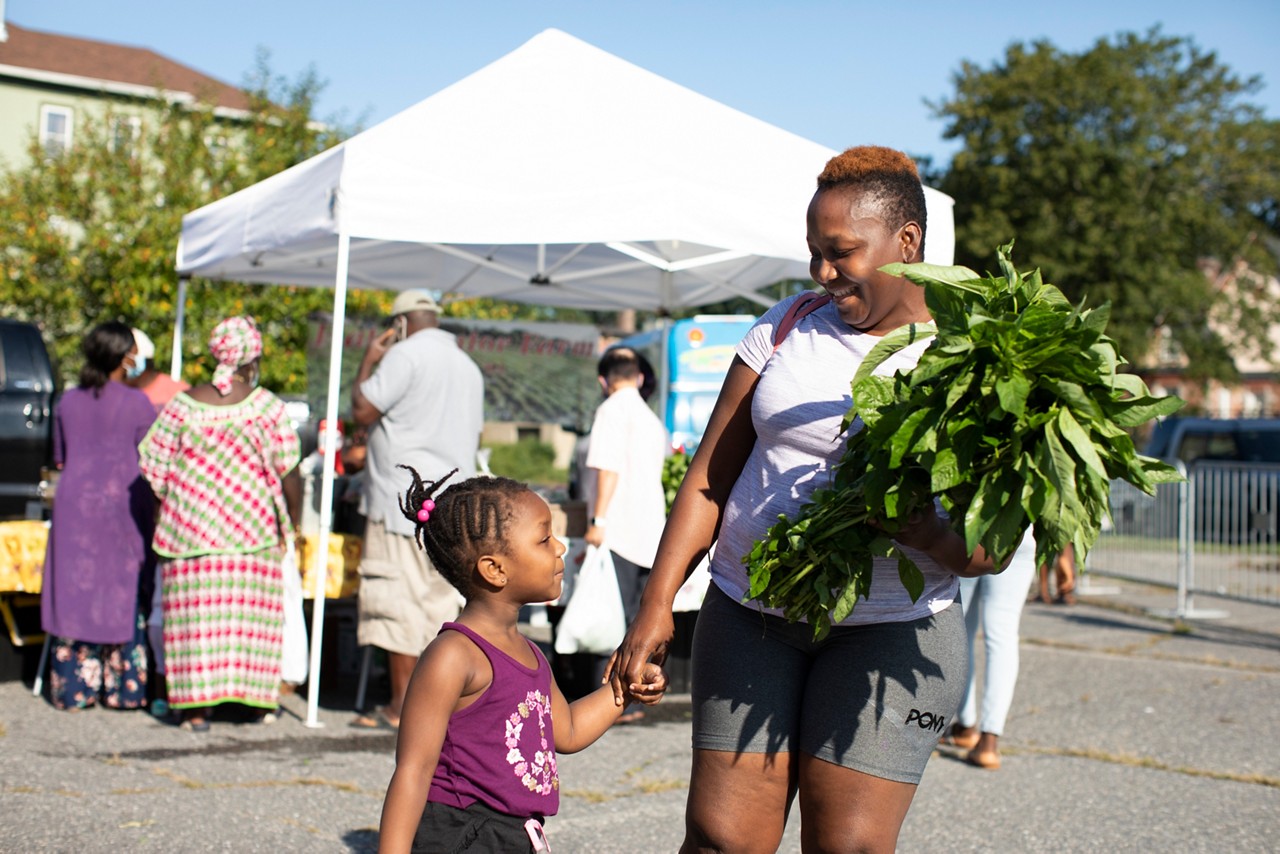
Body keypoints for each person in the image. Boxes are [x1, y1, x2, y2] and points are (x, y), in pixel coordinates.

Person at [608, 145, 1009, 853]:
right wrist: (655, 603)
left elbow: (991, 547)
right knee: (720, 838)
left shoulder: (975, 361)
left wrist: (926, 534)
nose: (822, 272)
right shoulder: (787, 324)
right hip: (750, 614)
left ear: (906, 242)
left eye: (840, 251)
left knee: (846, 846)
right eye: (813, 252)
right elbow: (709, 476)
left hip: (895, 629)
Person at [377, 466, 668, 853]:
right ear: (495, 569)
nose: (560, 547)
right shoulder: (452, 655)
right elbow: (413, 771)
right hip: (461, 834)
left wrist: (625, 689)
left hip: (516, 835)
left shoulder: (530, 653)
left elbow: (566, 731)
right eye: (544, 539)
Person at [138, 316, 302, 732]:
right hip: (253, 533)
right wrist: (294, 526)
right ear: (253, 359)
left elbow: (153, 467)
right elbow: (290, 472)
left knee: (195, 625)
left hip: (190, 533)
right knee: (249, 623)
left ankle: (194, 712)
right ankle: (249, 705)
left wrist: (172, 509)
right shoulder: (267, 407)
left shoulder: (182, 405)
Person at [351, 290, 484, 730]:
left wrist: (369, 360)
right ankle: (443, 706)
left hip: (402, 502)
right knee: (440, 604)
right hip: (451, 502)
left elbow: (362, 409)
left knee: (398, 603)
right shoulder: (468, 366)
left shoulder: (403, 356)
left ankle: (402, 707)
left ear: (402, 323)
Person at [41, 321, 157, 711]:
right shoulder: (138, 404)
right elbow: (153, 460)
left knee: (75, 587)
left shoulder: (68, 401)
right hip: (121, 503)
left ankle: (74, 687)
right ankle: (123, 688)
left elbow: (60, 456)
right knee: (122, 587)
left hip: (75, 505)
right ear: (125, 356)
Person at [579, 346, 667, 722]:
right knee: (635, 618)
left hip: (620, 529)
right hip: (651, 532)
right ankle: (631, 696)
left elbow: (608, 469)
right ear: (641, 378)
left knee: (609, 616)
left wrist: (598, 521)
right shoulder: (651, 418)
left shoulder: (610, 410)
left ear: (603, 381)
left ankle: (607, 702)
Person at [126, 327, 190, 720]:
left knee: (163, 609)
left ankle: (167, 690)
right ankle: (159, 689)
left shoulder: (178, 395)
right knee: (157, 611)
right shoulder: (126, 395)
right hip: (159, 512)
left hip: (177, 518)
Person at [944, 534, 1040, 770]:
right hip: (1021, 533)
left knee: (958, 628)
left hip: (971, 531)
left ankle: (967, 727)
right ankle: (989, 742)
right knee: (1003, 636)